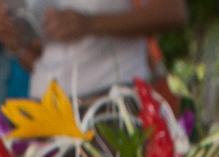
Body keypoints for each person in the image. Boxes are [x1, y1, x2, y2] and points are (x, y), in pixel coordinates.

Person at [25, 0, 186, 105]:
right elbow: (37, 52)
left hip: (112, 100)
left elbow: (172, 12)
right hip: (44, 103)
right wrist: (16, 41)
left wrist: (90, 23)